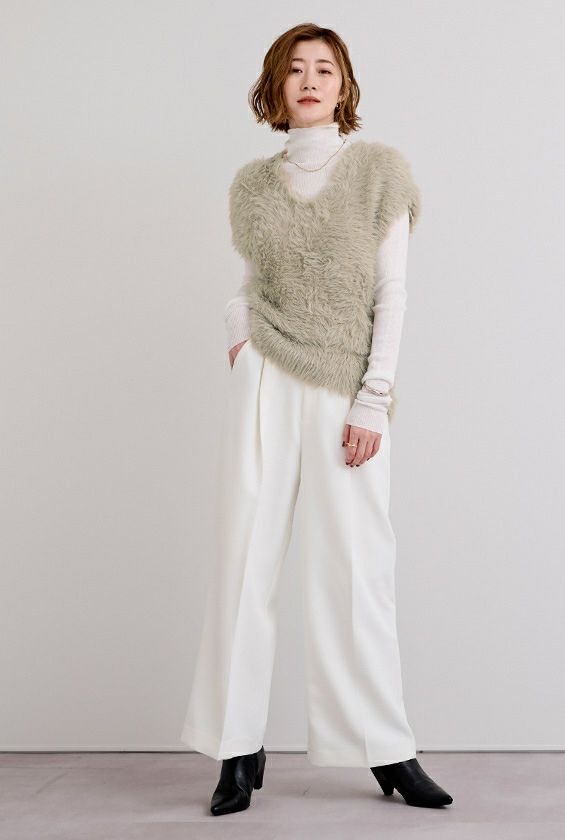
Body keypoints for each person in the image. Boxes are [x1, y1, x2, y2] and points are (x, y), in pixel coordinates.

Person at [180, 23, 454, 816]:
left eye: (324, 69)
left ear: (344, 86)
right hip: (265, 377)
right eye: (295, 69)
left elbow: (391, 294)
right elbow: (250, 283)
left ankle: (386, 747)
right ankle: (237, 748)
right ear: (275, 86)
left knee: (358, 568)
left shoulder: (378, 173)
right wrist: (239, 335)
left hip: (344, 386)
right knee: (245, 562)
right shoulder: (252, 185)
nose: (309, 80)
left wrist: (374, 397)